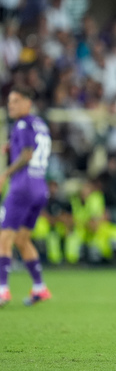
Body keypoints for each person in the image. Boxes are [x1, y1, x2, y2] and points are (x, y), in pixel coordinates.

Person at [0, 86, 52, 307]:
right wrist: (11, 147)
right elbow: (32, 147)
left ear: (27, 103)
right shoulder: (40, 124)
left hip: (22, 187)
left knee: (4, 238)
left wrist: (5, 174)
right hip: (40, 187)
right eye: (9, 101)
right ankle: (40, 288)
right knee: (22, 239)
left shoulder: (21, 124)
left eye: (16, 101)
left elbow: (28, 154)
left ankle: (2, 290)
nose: (11, 105)